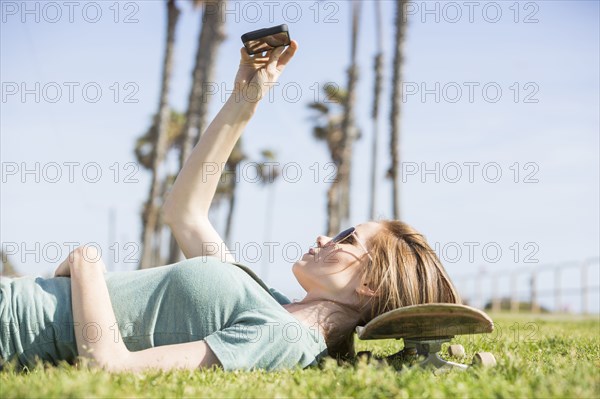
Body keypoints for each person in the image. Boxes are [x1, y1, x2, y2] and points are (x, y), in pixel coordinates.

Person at [0, 40, 460, 373]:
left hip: (13, 328)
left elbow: (111, 365)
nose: (325, 237)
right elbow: (185, 211)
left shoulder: (285, 336)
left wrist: (87, 265)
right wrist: (245, 102)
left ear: (372, 285)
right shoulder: (273, 305)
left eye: (347, 239)